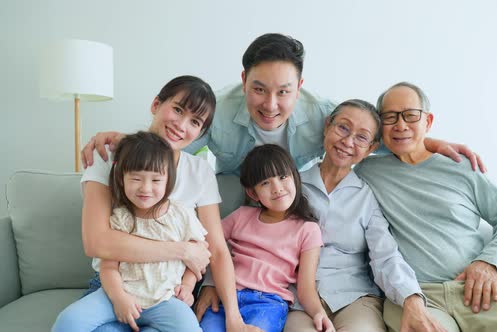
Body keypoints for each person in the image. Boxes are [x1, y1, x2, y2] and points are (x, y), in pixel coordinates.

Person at [197, 100, 444, 332]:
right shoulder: (286, 185)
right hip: (295, 299)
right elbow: (240, 240)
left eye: (361, 137)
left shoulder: (367, 198)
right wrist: (210, 283)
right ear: (327, 126)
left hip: (354, 297)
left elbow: (386, 255)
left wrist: (411, 298)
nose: (348, 141)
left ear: (372, 148)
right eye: (343, 128)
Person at [82, 33, 486, 175]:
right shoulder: (217, 107)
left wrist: (430, 143)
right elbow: (171, 134)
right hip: (233, 185)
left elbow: (371, 138)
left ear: (300, 86)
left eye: (284, 92)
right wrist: (123, 138)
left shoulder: (325, 113)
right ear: (243, 81)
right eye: (259, 89)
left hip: (287, 191)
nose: (271, 104)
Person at [54, 75, 263, 332]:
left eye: (195, 122)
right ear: (156, 104)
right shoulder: (108, 156)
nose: (181, 125)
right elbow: (97, 242)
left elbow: (217, 250)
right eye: (177, 109)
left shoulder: (199, 171)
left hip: (167, 292)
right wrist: (183, 250)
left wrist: (234, 319)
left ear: (200, 132)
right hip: (115, 285)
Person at [354, 82, 497, 332]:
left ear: (427, 122)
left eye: (410, 115)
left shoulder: (461, 167)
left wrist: (490, 262)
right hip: (415, 294)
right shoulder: (367, 172)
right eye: (390, 117)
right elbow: (341, 134)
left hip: (478, 289)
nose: (400, 124)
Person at [53, 131, 205, 331]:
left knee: (189, 328)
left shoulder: (182, 215)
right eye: (136, 179)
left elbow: (194, 262)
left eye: (156, 180)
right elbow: (108, 267)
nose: (146, 188)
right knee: (68, 321)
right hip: (119, 293)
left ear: (169, 180)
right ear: (121, 177)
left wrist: (187, 287)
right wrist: (119, 299)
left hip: (165, 299)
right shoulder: (120, 218)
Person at [199, 144, 334, 332]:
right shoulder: (241, 216)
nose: (277, 188)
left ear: (294, 177)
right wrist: (204, 284)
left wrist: (319, 313)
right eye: (265, 183)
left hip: (268, 303)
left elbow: (306, 288)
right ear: (253, 193)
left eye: (282, 177)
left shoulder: (308, 230)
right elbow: (206, 244)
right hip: (227, 297)